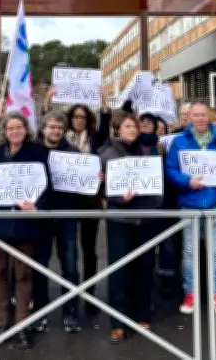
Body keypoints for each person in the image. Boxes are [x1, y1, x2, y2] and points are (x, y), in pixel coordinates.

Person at [0, 112, 52, 350]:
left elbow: (47, 186)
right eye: (10, 128)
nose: (14, 131)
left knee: (23, 275)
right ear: (4, 131)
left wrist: (37, 206)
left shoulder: (38, 153)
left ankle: (22, 325)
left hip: (25, 221)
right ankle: (2, 323)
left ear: (26, 129)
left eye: (18, 127)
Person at [166, 100, 216, 316]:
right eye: (195, 115)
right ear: (189, 117)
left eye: (203, 115)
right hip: (189, 204)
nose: (199, 118)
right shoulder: (179, 141)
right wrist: (187, 182)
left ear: (210, 117)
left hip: (215, 204)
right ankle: (190, 292)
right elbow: (170, 169)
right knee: (189, 252)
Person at [44, 88, 111, 313]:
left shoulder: (94, 138)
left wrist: (104, 101)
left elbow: (105, 124)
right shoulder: (62, 139)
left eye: (83, 116)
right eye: (75, 116)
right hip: (69, 200)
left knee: (89, 250)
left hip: (90, 201)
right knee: (69, 253)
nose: (79, 120)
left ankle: (90, 295)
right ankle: (71, 298)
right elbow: (47, 124)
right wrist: (48, 99)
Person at [99, 112, 162, 344]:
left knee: (144, 268)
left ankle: (142, 315)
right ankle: (118, 322)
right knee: (119, 271)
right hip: (120, 220)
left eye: (134, 126)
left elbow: (157, 181)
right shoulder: (107, 154)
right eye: (127, 127)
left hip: (145, 218)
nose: (132, 130)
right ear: (118, 129)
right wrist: (118, 198)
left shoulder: (148, 152)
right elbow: (102, 190)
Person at [32, 112, 89, 334]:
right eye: (52, 127)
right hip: (40, 217)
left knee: (70, 267)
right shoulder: (34, 152)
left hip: (67, 215)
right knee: (39, 266)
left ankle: (71, 312)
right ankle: (40, 312)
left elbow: (83, 184)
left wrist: (92, 179)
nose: (55, 131)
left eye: (59, 127)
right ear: (43, 129)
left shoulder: (73, 153)